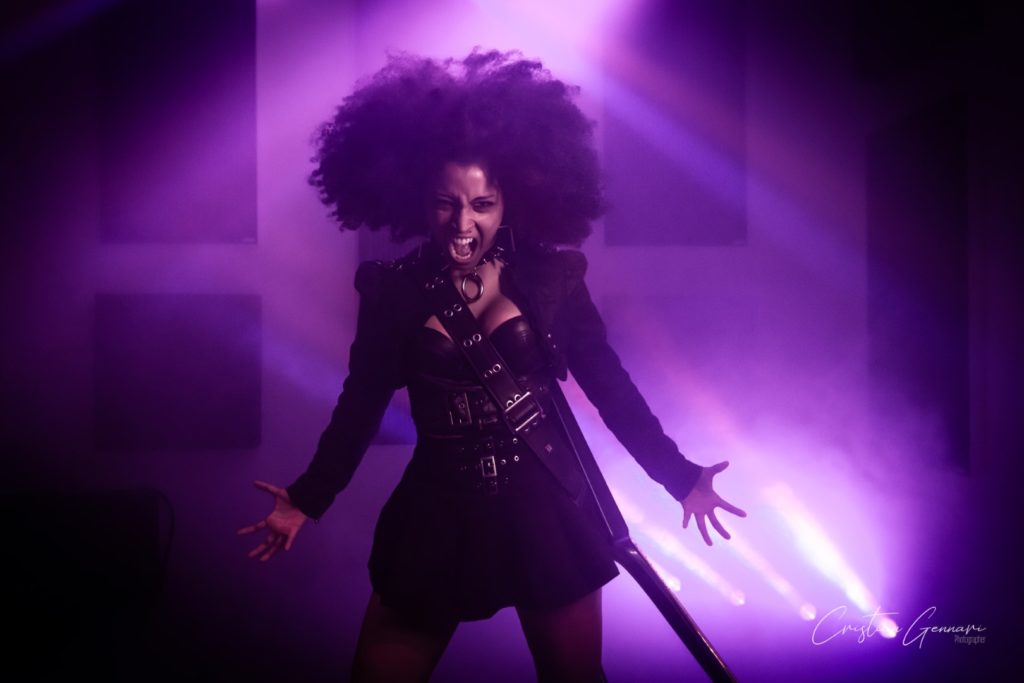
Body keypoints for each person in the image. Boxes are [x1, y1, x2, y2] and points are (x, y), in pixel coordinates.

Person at [238, 48, 745, 683]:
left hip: (546, 506)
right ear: (418, 199)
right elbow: (359, 406)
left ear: (513, 202)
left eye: (482, 204)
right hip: (438, 511)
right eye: (446, 203)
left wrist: (680, 476)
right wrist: (308, 498)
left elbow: (611, 388)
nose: (462, 223)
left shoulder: (553, 277)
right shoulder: (392, 290)